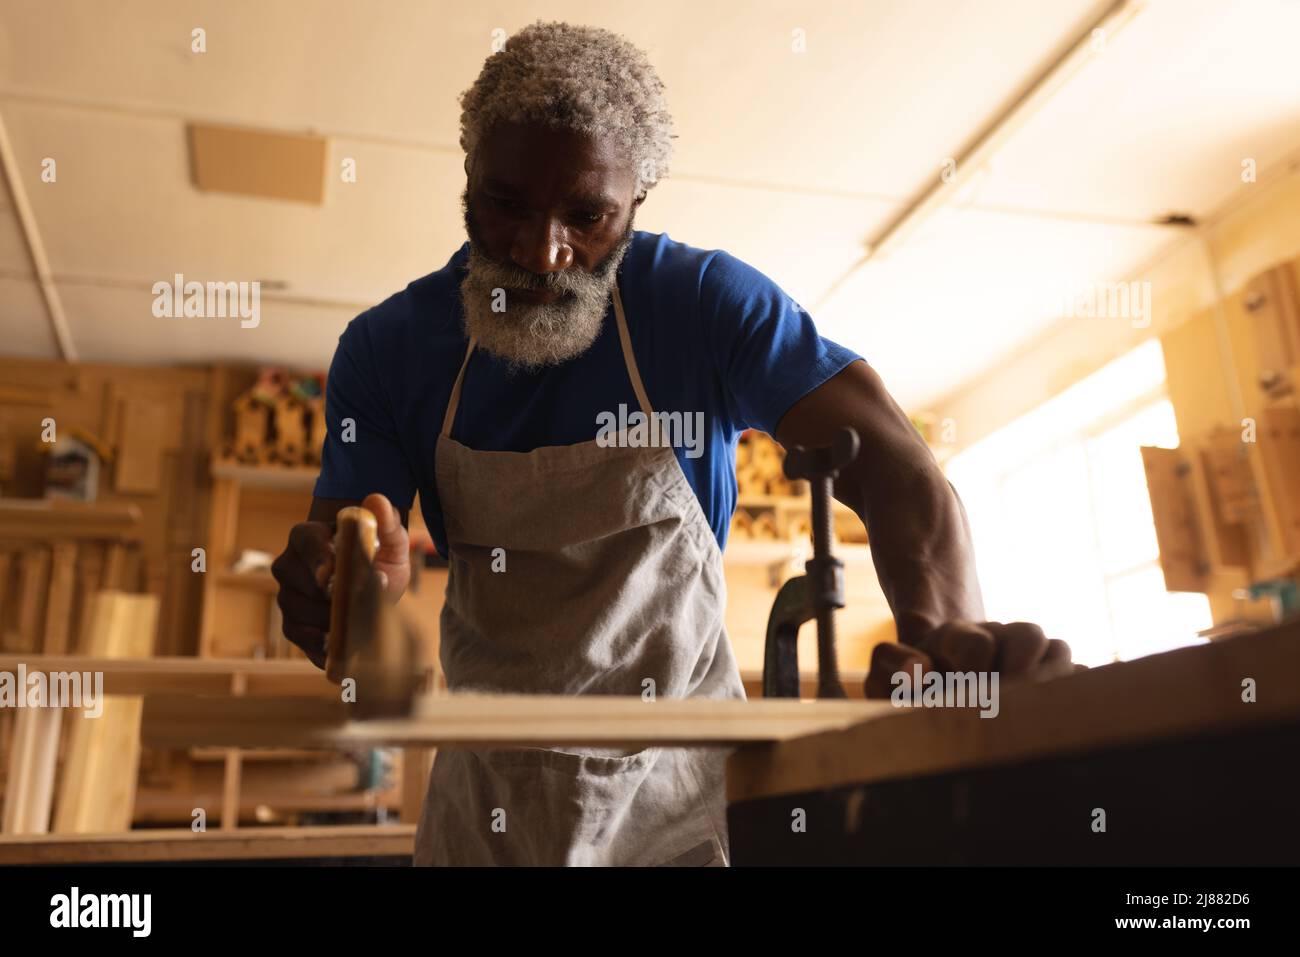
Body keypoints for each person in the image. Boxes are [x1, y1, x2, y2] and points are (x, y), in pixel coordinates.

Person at [271, 20, 1074, 866]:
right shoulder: (387, 350)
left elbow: (895, 466)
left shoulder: (701, 306)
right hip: (487, 797)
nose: (542, 252)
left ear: (636, 204)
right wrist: (344, 596)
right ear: (467, 175)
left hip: (681, 791)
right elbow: (348, 572)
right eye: (507, 203)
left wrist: (946, 638)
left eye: (586, 216)